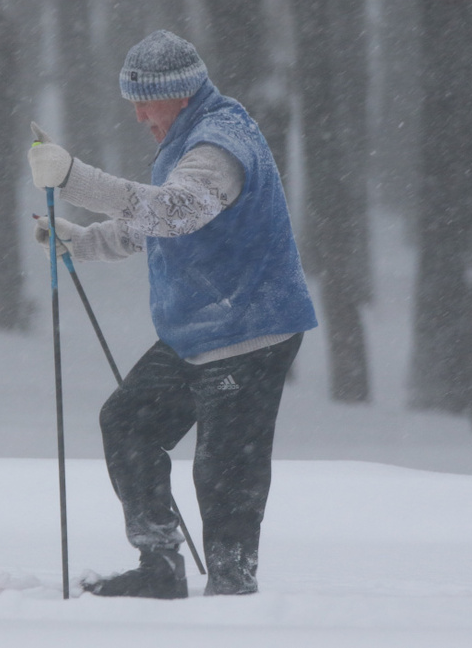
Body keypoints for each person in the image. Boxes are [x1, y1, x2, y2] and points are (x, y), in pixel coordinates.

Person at [26, 30, 317, 598]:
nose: (138, 116)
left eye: (145, 102)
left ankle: (233, 589)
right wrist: (81, 242)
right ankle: (159, 568)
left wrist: (73, 178)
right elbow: (159, 227)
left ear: (181, 93)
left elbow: (175, 213)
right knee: (128, 423)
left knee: (225, 469)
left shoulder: (219, 145)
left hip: (250, 329)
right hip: (198, 330)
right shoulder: (186, 140)